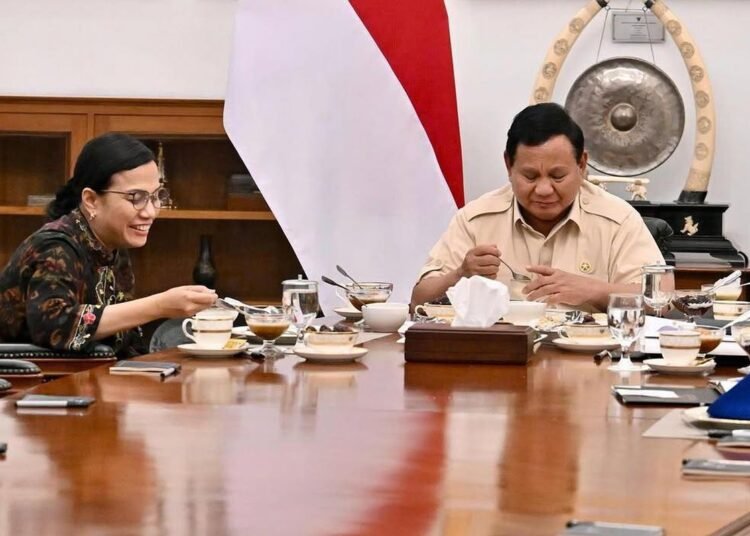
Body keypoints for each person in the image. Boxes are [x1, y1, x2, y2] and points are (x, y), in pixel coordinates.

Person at [411, 103, 670, 312]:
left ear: (582, 165)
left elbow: (662, 297)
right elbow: (418, 300)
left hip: (589, 367)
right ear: (508, 165)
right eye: (530, 176)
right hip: (500, 363)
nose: (544, 190)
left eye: (558, 176)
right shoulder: (476, 219)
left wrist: (594, 290)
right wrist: (460, 274)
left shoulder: (618, 219)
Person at [0, 133, 217, 356]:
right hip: (30, 385)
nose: (150, 212)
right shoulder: (55, 247)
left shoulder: (112, 246)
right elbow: (57, 327)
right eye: (135, 197)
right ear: (91, 200)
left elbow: (125, 341)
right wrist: (159, 306)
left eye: (156, 196)